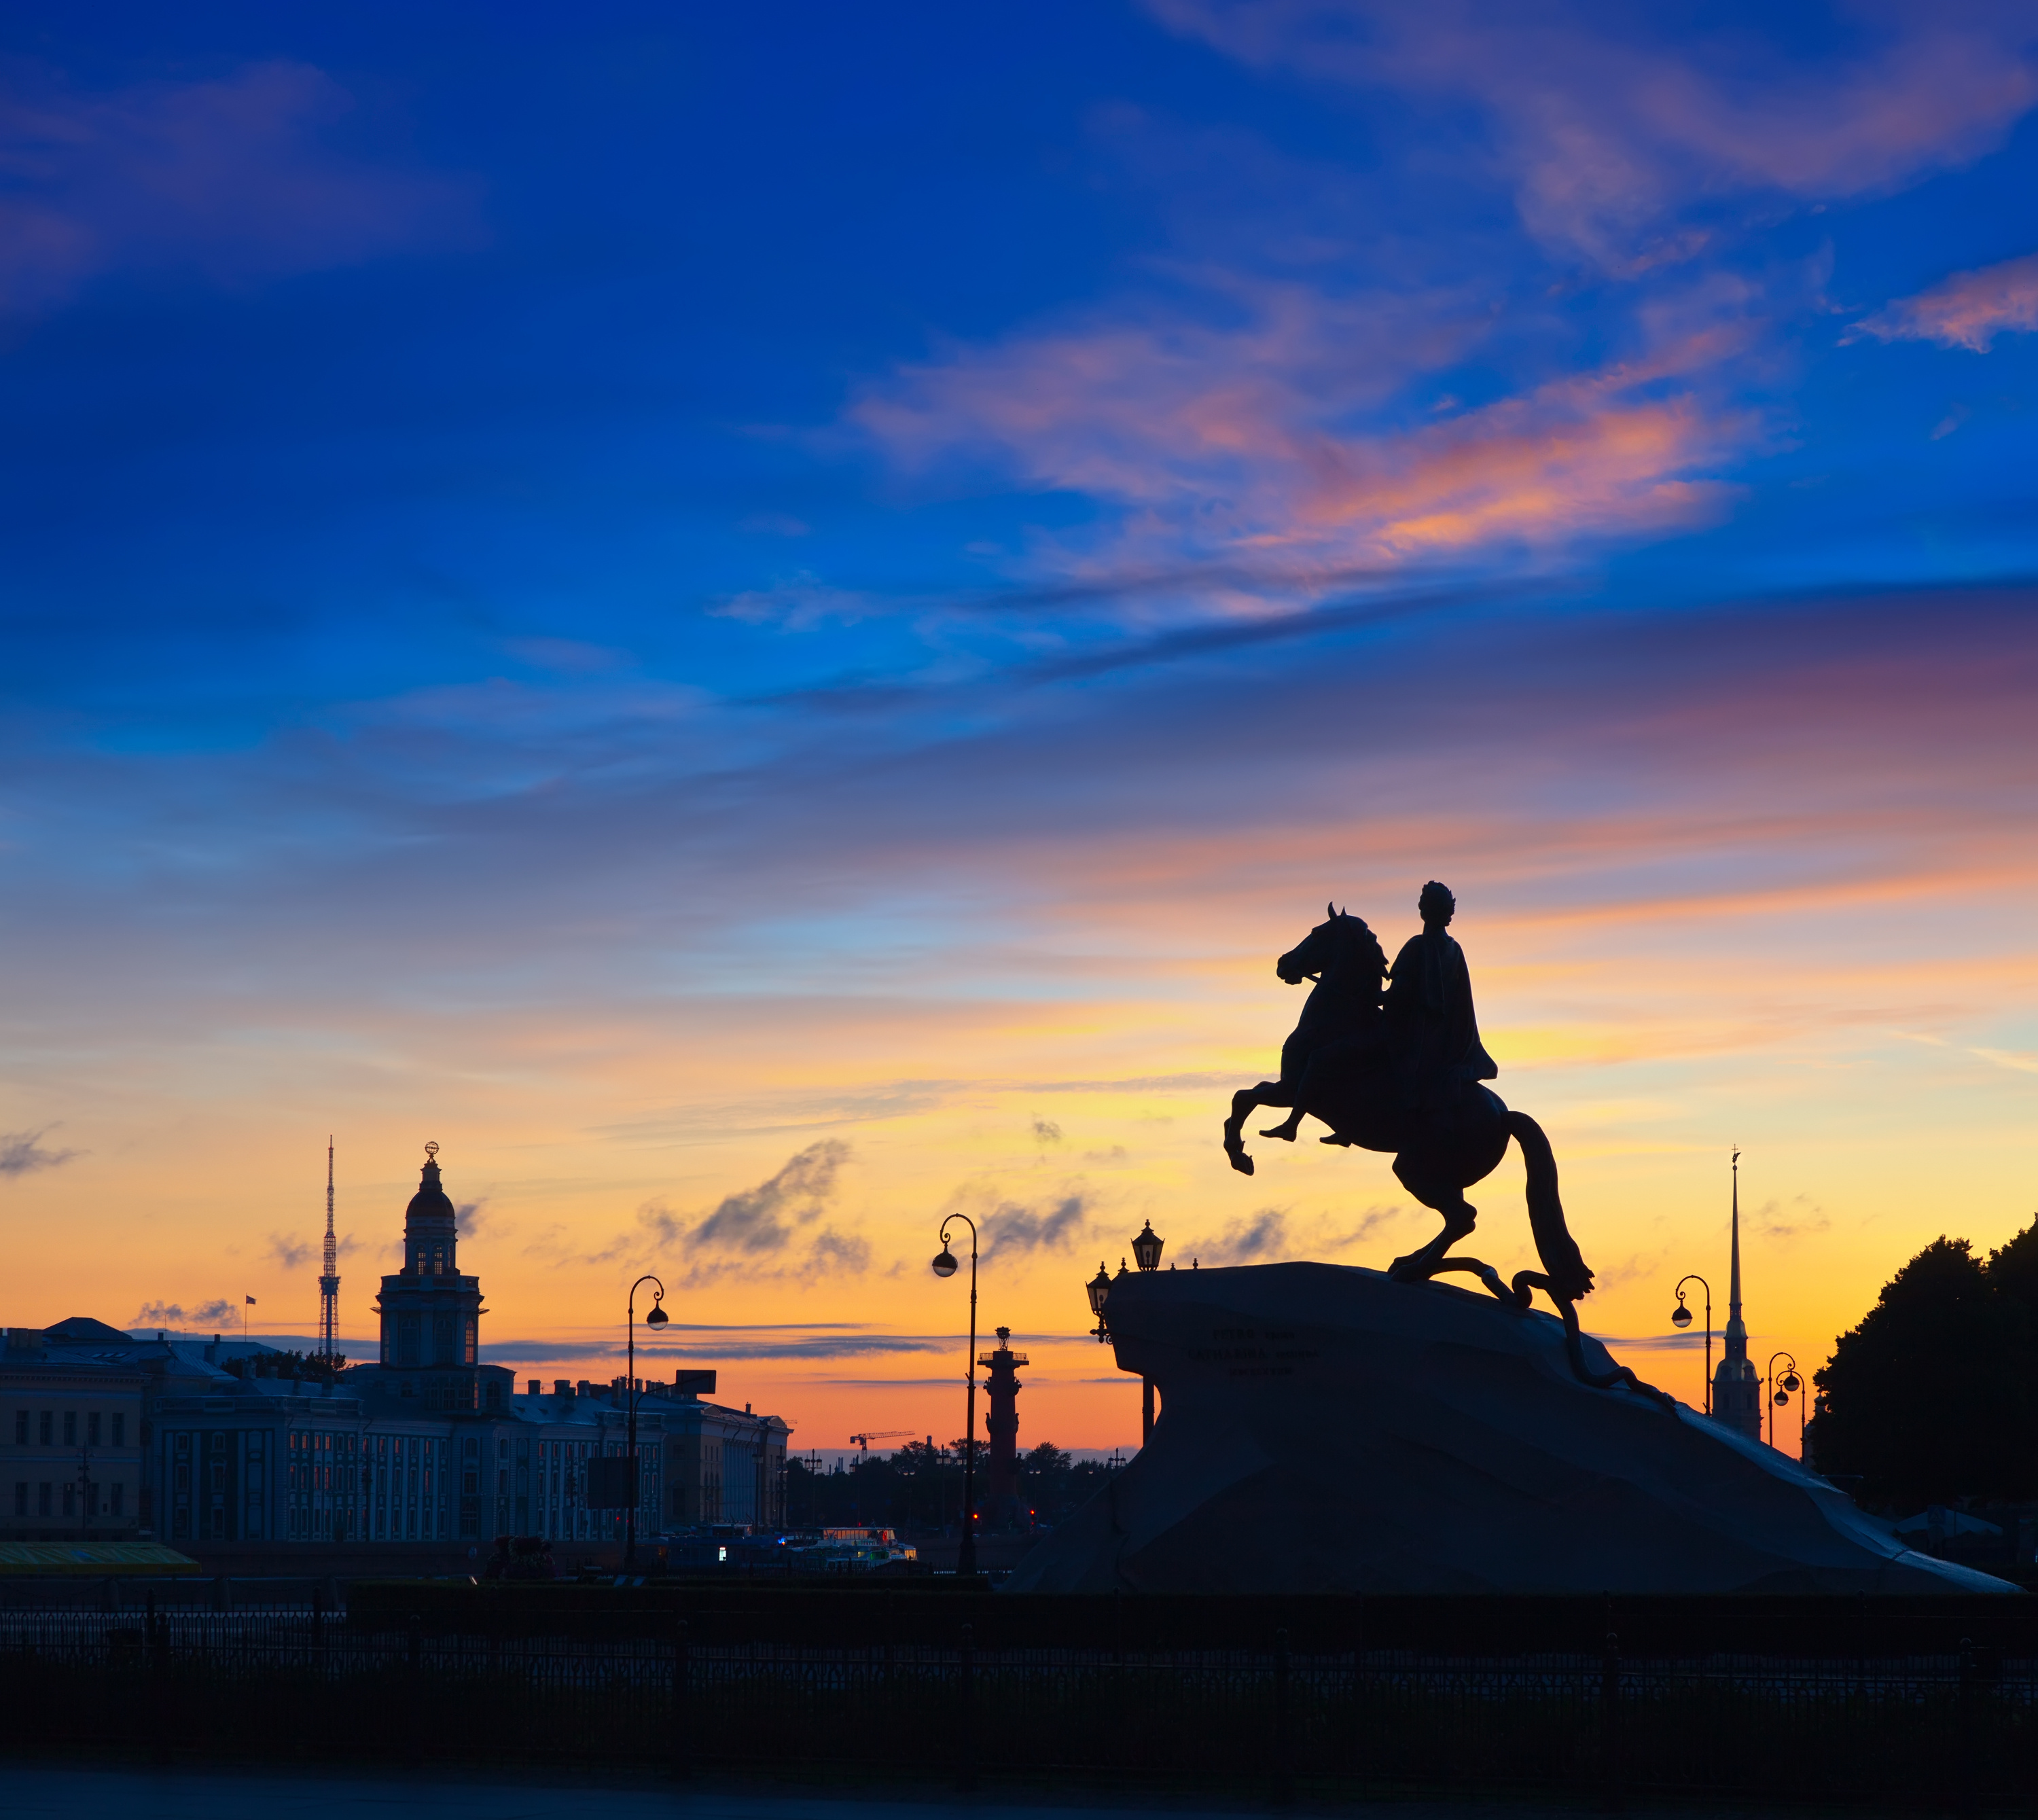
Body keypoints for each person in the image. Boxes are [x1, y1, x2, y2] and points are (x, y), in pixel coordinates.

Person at [1383, 882, 1496, 1120]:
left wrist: (1365, 997)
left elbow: (1399, 993)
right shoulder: (1454, 949)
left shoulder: (1418, 946)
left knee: (1373, 1056)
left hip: (1419, 1034)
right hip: (1445, 1037)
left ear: (1423, 910)